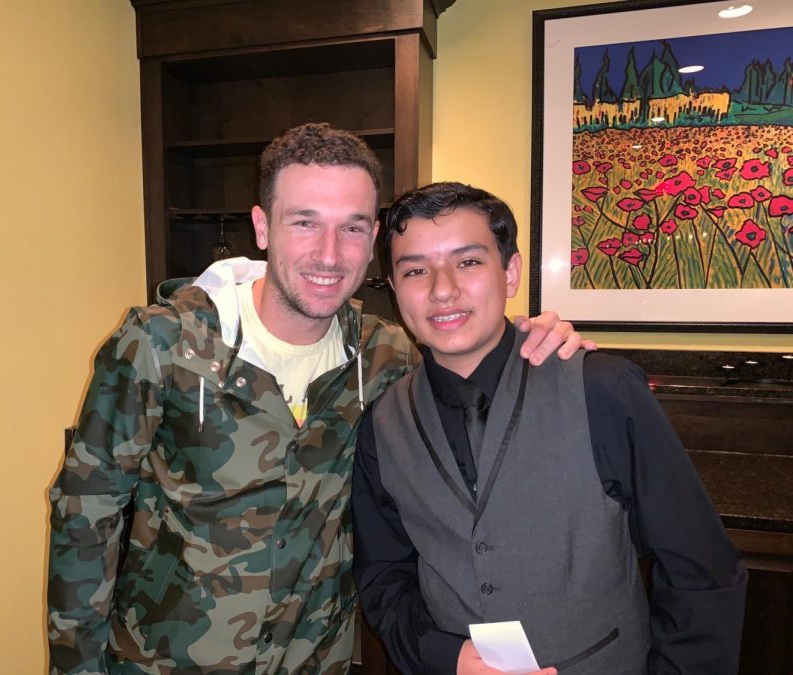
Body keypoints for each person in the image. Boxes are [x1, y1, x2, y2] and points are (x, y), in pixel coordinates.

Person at [47, 124, 587, 674]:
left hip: (318, 661)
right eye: (304, 222)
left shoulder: (386, 355)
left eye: (352, 228)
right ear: (262, 226)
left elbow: (470, 353)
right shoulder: (162, 346)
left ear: (373, 236)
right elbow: (84, 515)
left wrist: (533, 340)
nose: (329, 255)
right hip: (166, 661)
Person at [352, 182, 748, 675]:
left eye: (469, 261)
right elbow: (384, 576)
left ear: (511, 271)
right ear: (394, 287)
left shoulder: (602, 390)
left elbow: (701, 571)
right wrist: (443, 655)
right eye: (415, 270)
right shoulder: (382, 424)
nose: (442, 288)